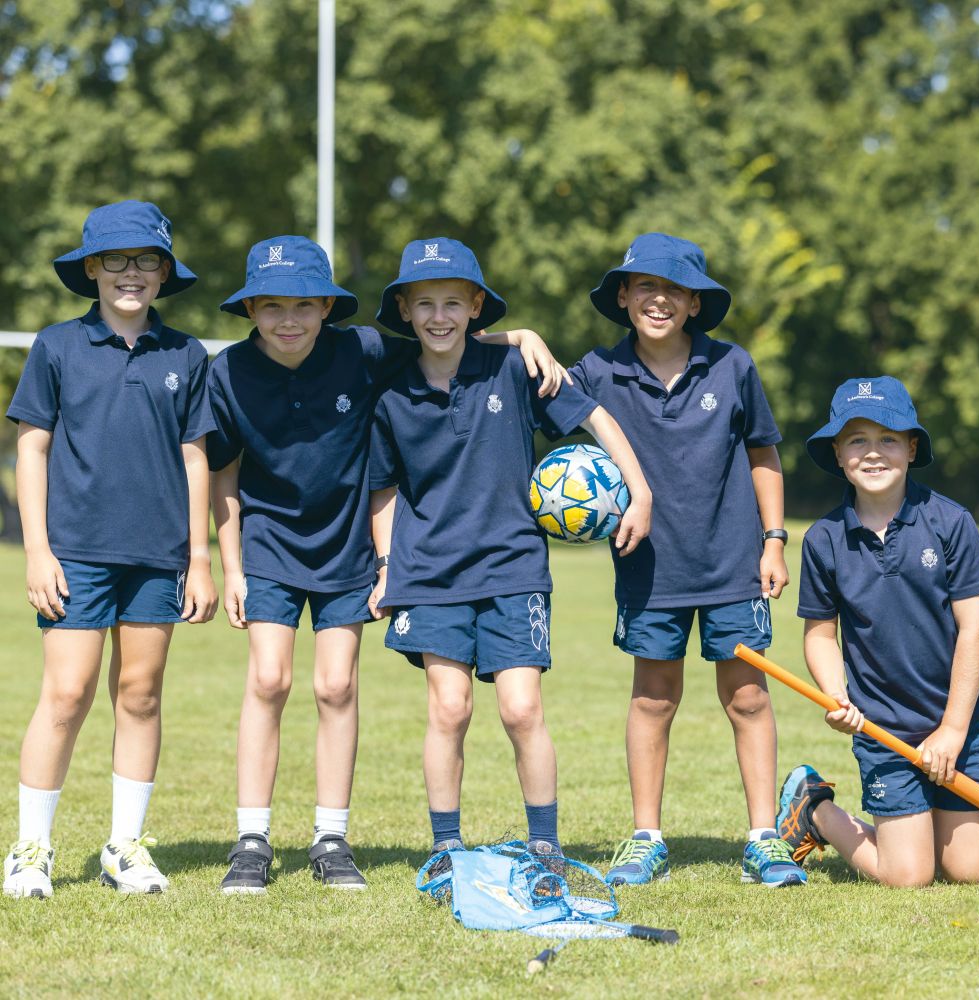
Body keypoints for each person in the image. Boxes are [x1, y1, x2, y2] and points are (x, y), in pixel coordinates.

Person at [209, 236, 568, 894]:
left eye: (304, 305)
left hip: (346, 545)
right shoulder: (228, 372)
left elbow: (449, 334)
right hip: (268, 544)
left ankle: (330, 837)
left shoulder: (362, 350)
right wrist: (229, 566)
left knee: (336, 686)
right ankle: (252, 838)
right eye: (272, 306)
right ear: (251, 308)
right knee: (268, 678)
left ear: (326, 308)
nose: (289, 319)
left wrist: (523, 337)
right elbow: (223, 472)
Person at [368, 237, 652, 870]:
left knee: (522, 710)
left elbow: (596, 417)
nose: (438, 317)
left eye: (452, 303)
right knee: (450, 707)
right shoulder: (391, 397)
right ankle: (446, 848)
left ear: (475, 307)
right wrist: (387, 565)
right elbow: (383, 488)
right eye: (424, 305)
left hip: (513, 567)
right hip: (429, 574)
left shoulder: (513, 370)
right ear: (407, 312)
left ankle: (545, 844)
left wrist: (640, 491)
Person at [569, 232, 807, 887]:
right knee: (653, 699)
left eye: (675, 289)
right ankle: (646, 838)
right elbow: (528, 382)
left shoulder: (733, 368)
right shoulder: (597, 371)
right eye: (645, 285)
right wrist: (520, 337)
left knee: (749, 697)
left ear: (695, 304)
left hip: (733, 564)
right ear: (623, 295)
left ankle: (765, 839)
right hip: (649, 569)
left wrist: (774, 539)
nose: (659, 299)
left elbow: (764, 455)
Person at [3, 200, 217, 899]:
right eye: (117, 261)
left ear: (163, 272)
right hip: (75, 553)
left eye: (146, 261)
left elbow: (195, 459)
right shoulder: (57, 347)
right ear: (92, 269)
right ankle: (30, 851)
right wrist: (38, 549)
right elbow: (31, 449)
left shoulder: (185, 353)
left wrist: (200, 557)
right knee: (66, 694)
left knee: (140, 693)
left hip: (158, 557)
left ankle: (126, 847)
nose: (132, 274)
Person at [777, 376, 979, 886]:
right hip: (886, 732)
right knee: (908, 877)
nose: (873, 453)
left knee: (969, 871)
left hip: (960, 725)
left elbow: (976, 627)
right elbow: (820, 635)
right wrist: (836, 695)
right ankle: (815, 808)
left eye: (888, 439)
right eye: (857, 440)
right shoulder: (824, 539)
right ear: (837, 453)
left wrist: (953, 731)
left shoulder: (949, 521)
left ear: (912, 447)